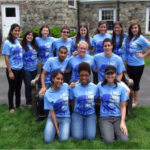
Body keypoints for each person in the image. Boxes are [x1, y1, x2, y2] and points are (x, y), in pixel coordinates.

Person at [36, 46, 69, 123]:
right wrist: (43, 87)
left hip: (59, 83)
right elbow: (43, 74)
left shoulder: (66, 60)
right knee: (41, 96)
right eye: (61, 52)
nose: (63, 55)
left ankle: (62, 112)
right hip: (49, 83)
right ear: (58, 52)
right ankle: (42, 115)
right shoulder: (51, 60)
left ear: (67, 54)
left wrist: (75, 53)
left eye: (65, 53)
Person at [97, 65, 128, 143]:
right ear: (105, 75)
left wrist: (122, 122)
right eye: (108, 74)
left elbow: (123, 106)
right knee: (109, 141)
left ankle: (115, 129)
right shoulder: (100, 86)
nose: (110, 76)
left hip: (117, 116)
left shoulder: (122, 88)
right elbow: (93, 95)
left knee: (124, 140)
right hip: (105, 117)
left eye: (112, 73)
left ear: (115, 74)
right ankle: (107, 129)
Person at [70, 62, 98, 140]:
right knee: (76, 137)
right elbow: (71, 100)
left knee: (90, 137)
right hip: (77, 114)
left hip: (90, 114)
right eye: (82, 75)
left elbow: (96, 98)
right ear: (78, 75)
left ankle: (88, 125)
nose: (84, 78)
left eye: (86, 75)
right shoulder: (74, 87)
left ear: (89, 75)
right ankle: (77, 125)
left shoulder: (95, 87)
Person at [126, 21, 150, 107]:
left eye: (135, 28)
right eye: (132, 28)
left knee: (136, 83)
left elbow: (149, 47)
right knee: (130, 82)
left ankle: (135, 102)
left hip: (138, 65)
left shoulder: (141, 38)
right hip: (129, 64)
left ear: (138, 28)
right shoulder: (129, 37)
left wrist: (143, 55)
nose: (134, 29)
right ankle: (131, 99)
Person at [2, 23, 24, 113]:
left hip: (20, 68)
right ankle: (11, 107)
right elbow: (6, 58)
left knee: (18, 88)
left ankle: (18, 105)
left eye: (18, 30)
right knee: (12, 88)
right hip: (13, 69)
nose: (17, 32)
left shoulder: (17, 41)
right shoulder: (7, 43)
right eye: (15, 30)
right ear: (11, 31)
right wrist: (10, 71)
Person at [44, 70, 70, 143]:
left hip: (65, 117)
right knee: (47, 140)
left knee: (63, 140)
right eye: (58, 78)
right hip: (53, 116)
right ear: (53, 79)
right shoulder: (48, 94)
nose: (60, 81)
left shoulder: (65, 86)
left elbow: (72, 87)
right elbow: (51, 112)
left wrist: (75, 84)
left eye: (62, 79)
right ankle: (55, 129)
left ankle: (63, 128)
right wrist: (57, 128)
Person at [21, 30, 38, 108]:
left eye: (31, 35)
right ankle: (29, 102)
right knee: (28, 86)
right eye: (28, 35)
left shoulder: (34, 45)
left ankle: (34, 101)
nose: (30, 36)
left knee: (34, 86)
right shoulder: (22, 46)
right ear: (25, 36)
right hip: (26, 69)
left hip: (34, 69)